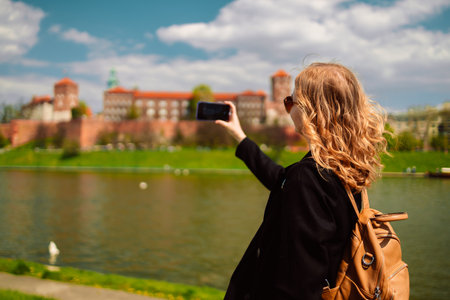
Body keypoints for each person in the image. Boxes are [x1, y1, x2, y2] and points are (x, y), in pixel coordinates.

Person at [216, 62, 387, 299]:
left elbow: (298, 284)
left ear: (311, 111)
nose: (288, 110)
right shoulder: (343, 168)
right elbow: (280, 180)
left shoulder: (308, 178)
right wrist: (240, 136)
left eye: (290, 102)